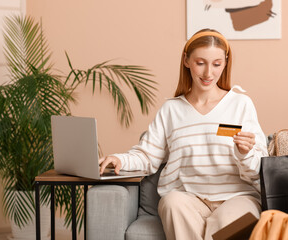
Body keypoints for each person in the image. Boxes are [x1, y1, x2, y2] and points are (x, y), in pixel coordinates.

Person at [99, 29, 268, 240]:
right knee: (171, 203)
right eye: (200, 63)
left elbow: (259, 168)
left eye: (216, 64)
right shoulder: (171, 109)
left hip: (238, 197)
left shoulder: (241, 104)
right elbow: (148, 156)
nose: (208, 73)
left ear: (225, 63)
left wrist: (245, 154)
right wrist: (119, 159)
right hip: (187, 198)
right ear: (187, 61)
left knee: (227, 223)